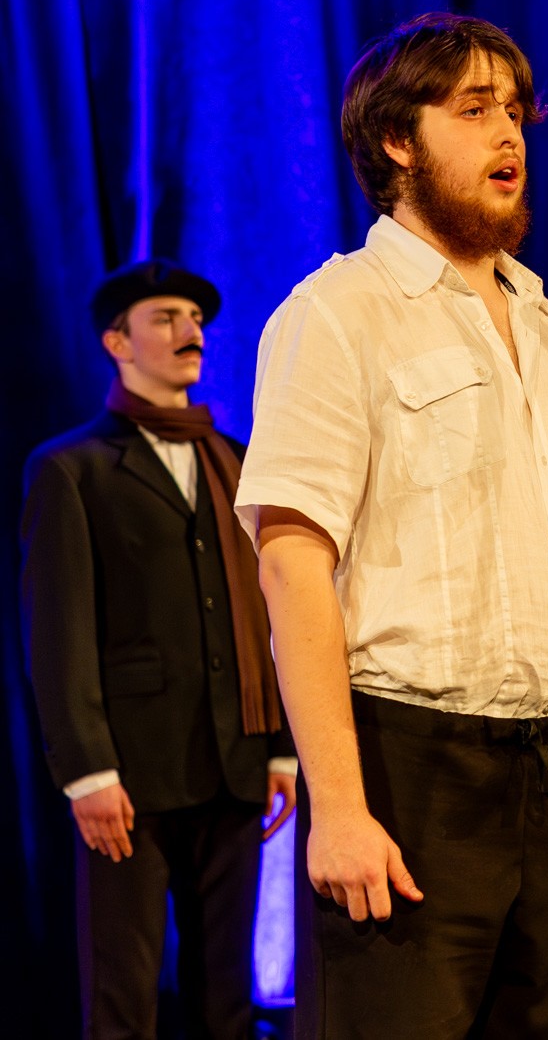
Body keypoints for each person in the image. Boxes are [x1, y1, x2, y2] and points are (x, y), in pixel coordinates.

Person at [234, 13, 548, 1040]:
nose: (508, 132)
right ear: (397, 141)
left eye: (514, 110)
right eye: (472, 109)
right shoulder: (338, 313)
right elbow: (292, 565)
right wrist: (339, 806)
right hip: (410, 766)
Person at [18, 257, 298, 1039]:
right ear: (117, 342)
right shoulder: (70, 468)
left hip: (234, 762)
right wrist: (88, 771)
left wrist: (281, 745)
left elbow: (272, 609)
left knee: (226, 997)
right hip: (130, 774)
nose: (190, 332)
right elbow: (56, 632)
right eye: (166, 318)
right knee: (124, 992)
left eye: (196, 319)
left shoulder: (235, 459)